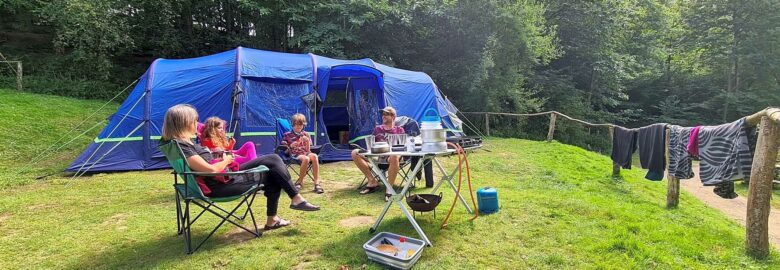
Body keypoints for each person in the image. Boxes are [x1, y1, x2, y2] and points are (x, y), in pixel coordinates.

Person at [160, 104, 320, 231]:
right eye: (194, 121)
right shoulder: (183, 145)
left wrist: (220, 158)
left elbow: (206, 167)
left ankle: (284, 210)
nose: (197, 124)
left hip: (223, 177)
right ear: (184, 123)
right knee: (273, 167)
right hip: (221, 185)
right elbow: (211, 170)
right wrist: (227, 159)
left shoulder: (179, 144)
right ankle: (290, 204)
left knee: (273, 162)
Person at [352, 106, 405, 201]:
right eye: (383, 114)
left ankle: (389, 189)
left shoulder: (399, 130)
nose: (383, 116)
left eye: (386, 114)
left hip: (393, 157)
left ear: (393, 116)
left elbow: (402, 147)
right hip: (378, 157)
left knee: (393, 156)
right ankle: (372, 181)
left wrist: (395, 154)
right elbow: (371, 144)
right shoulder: (378, 129)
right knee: (355, 152)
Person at [283, 113, 323, 194]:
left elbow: (309, 150)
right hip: (295, 154)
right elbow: (284, 151)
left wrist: (307, 141)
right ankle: (300, 182)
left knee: (314, 156)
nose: (299, 126)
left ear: (303, 125)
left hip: (306, 152)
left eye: (300, 125)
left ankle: (316, 183)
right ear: (293, 124)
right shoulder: (287, 135)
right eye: (296, 124)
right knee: (306, 158)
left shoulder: (306, 134)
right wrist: (290, 146)